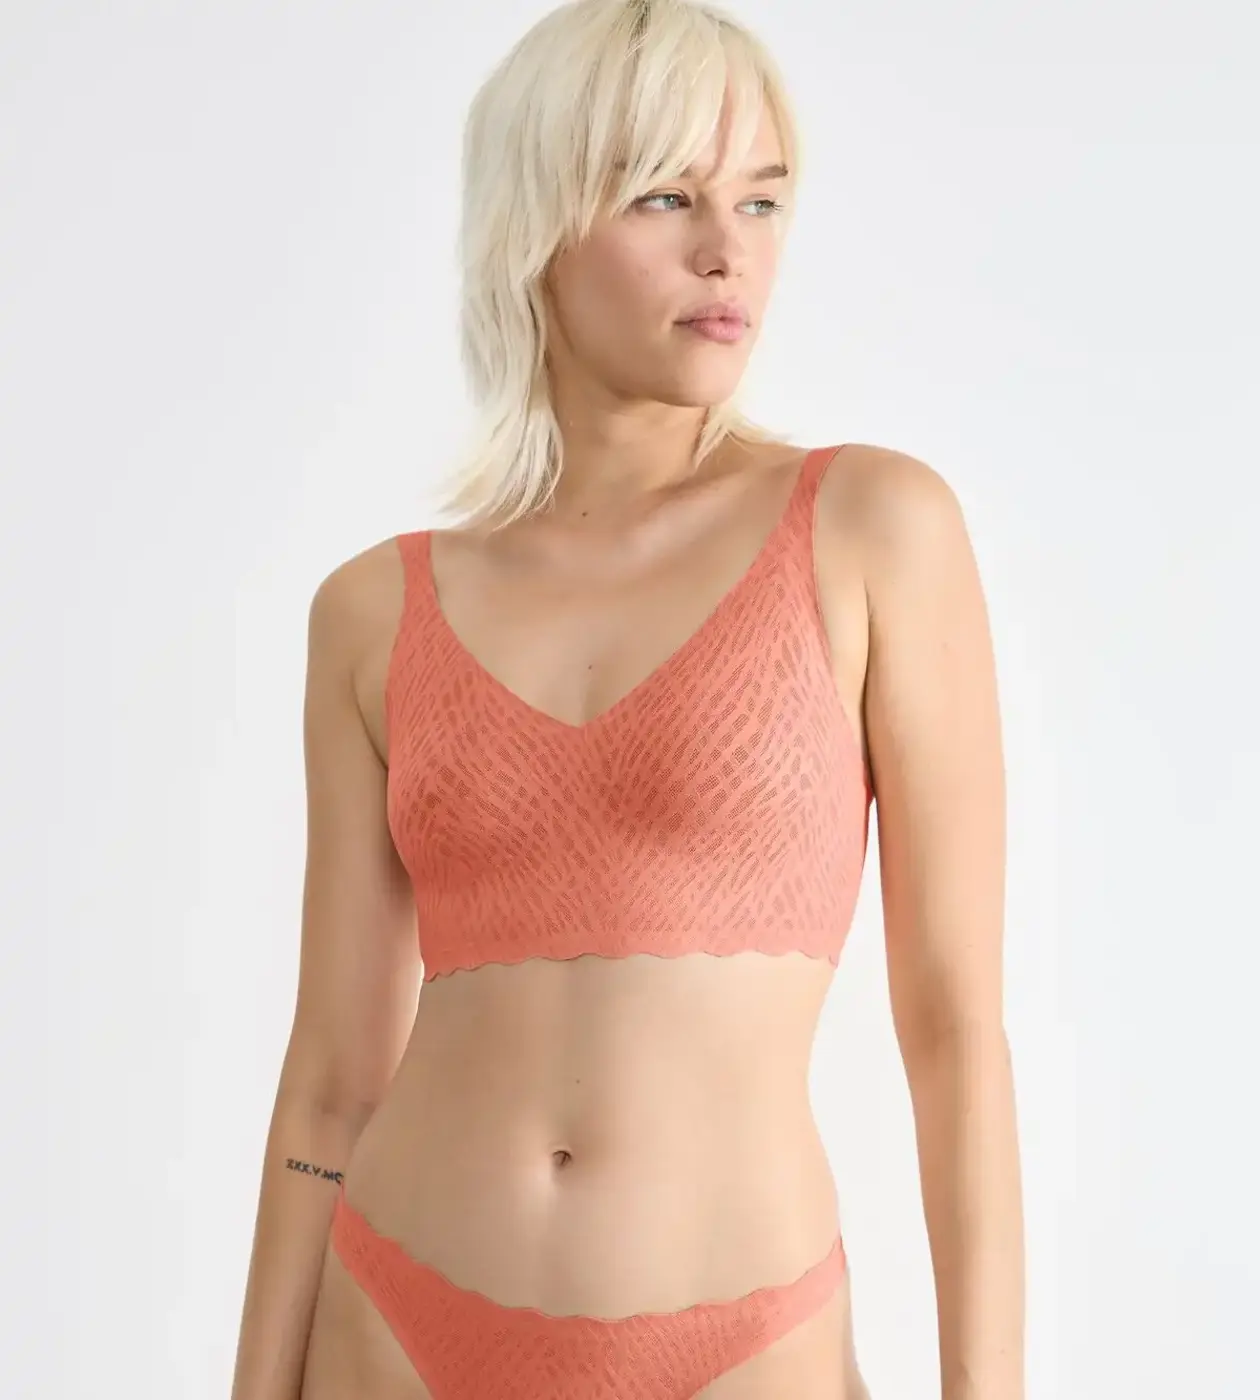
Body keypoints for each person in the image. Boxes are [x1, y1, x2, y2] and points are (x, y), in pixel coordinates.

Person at [229, 1, 1025, 1396]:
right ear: (534, 223)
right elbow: (331, 1084)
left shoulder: (870, 530)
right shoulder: (372, 612)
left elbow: (954, 1032)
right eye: (666, 196)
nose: (730, 251)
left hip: (741, 1340)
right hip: (392, 1323)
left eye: (762, 199)